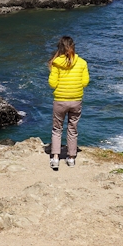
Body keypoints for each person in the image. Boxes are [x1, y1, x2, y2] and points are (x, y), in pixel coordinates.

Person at [47, 35, 89, 169]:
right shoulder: (82, 62)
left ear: (60, 48)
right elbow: (85, 82)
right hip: (76, 100)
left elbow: (52, 84)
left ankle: (55, 158)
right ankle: (71, 158)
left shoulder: (56, 63)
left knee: (57, 129)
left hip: (60, 100)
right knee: (72, 129)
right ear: (73, 47)